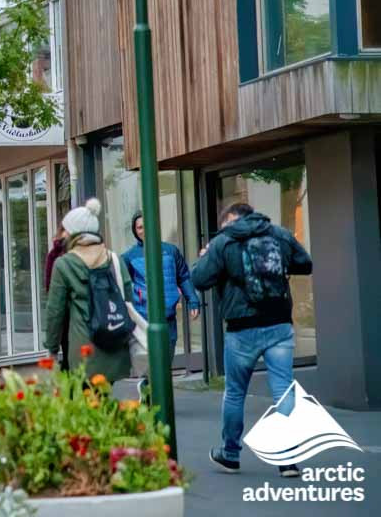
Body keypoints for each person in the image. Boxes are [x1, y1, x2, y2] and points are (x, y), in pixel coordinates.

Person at [193, 201, 312, 478]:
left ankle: (230, 454)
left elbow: (200, 279)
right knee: (284, 389)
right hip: (279, 322)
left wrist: (207, 256)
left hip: (241, 327)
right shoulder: (279, 234)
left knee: (235, 392)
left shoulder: (223, 241)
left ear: (232, 220)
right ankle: (288, 459)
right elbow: (305, 264)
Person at [43, 197, 146, 385]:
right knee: (105, 402)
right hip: (114, 345)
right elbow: (128, 299)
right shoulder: (114, 259)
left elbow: (54, 312)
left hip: (83, 352)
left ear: (72, 233)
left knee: (84, 406)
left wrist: (51, 348)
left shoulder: (64, 264)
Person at [122, 211, 200, 352]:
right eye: (139, 227)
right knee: (151, 365)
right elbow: (121, 285)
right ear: (135, 231)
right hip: (144, 319)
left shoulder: (171, 251)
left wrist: (193, 300)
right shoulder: (129, 257)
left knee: (167, 361)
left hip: (168, 317)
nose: (143, 230)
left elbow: (183, 277)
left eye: (146, 225)